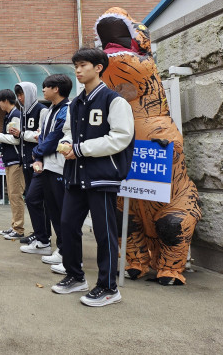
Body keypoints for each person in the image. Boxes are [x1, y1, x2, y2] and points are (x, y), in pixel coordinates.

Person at [51, 48, 134, 307]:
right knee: (67, 224)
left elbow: (121, 137)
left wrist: (81, 149)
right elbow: (67, 132)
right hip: (75, 175)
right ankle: (75, 276)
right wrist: (66, 143)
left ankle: (109, 287)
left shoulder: (114, 100)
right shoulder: (75, 103)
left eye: (83, 65)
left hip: (102, 176)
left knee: (104, 233)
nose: (78, 70)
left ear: (99, 67)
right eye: (75, 65)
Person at [29, 74, 72, 272]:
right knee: (52, 208)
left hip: (60, 166)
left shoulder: (66, 110)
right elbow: (43, 137)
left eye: (46, 87)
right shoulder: (49, 111)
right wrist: (38, 157)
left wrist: (36, 153)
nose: (43, 90)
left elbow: (55, 138)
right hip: (46, 165)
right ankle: (59, 248)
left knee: (63, 211)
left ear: (56, 89)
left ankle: (67, 253)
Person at [14, 81, 50, 255]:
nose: (20, 98)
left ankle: (44, 236)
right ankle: (38, 233)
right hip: (26, 161)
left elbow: (41, 136)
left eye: (22, 94)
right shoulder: (23, 112)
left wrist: (22, 134)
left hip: (38, 162)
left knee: (36, 199)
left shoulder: (42, 110)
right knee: (31, 198)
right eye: (18, 95)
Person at [0, 89, 24, 239]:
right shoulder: (9, 115)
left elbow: (15, 139)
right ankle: (15, 225)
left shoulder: (15, 115)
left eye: (0, 102)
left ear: (6, 101)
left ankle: (19, 229)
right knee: (12, 195)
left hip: (15, 159)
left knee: (15, 195)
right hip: (9, 159)